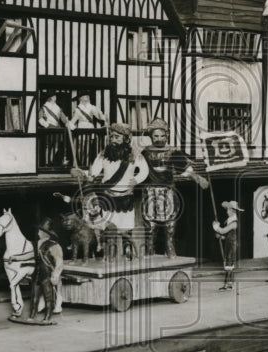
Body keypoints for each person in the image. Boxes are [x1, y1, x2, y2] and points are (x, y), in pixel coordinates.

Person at [73, 122, 148, 260]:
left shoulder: (134, 155)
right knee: (107, 228)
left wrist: (136, 180)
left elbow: (144, 170)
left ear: (125, 139)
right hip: (107, 197)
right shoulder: (103, 154)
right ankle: (108, 255)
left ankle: (128, 253)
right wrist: (81, 173)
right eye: (112, 137)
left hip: (126, 197)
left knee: (126, 227)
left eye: (117, 137)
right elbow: (93, 172)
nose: (113, 140)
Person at [141, 118, 208, 258]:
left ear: (167, 136)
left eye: (162, 136)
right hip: (150, 192)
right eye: (156, 136)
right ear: (151, 137)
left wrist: (197, 177)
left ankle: (170, 249)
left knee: (170, 224)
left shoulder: (172, 152)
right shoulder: (145, 153)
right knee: (150, 226)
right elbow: (136, 169)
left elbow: (185, 168)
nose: (159, 139)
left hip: (168, 191)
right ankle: (149, 252)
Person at [213, 200, 243, 290]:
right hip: (229, 243)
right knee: (229, 264)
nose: (226, 211)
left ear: (233, 211)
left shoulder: (234, 223)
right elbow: (227, 235)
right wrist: (221, 237)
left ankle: (227, 284)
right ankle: (230, 283)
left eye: (228, 210)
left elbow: (223, 231)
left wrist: (216, 226)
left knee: (229, 264)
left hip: (232, 245)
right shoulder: (230, 221)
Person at [37, 93, 72, 167]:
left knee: (56, 146)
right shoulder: (44, 107)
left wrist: (70, 125)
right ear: (51, 98)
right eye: (54, 96)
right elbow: (40, 119)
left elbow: (64, 119)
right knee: (48, 146)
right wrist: (47, 125)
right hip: (48, 129)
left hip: (57, 129)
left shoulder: (58, 108)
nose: (55, 97)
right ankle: (46, 162)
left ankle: (51, 160)